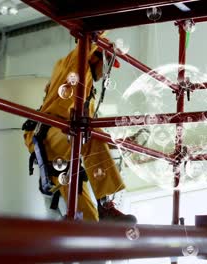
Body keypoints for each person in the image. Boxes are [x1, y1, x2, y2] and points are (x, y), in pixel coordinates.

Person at [22, 42, 135, 223]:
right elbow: (86, 42)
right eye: (106, 66)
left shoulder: (87, 89)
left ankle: (99, 218)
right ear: (93, 58)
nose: (106, 73)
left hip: (66, 142)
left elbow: (95, 139)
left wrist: (119, 142)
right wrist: (99, 34)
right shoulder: (74, 68)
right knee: (87, 132)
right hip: (49, 135)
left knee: (88, 218)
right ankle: (106, 205)